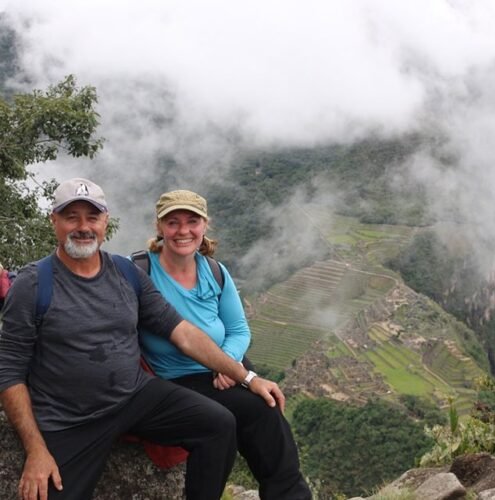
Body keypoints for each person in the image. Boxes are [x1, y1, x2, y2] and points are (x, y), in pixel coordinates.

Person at [0, 178, 285, 500]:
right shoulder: (34, 284)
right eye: (71, 217)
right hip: (70, 417)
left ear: (105, 221)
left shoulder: (125, 272)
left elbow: (181, 332)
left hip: (134, 397)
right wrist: (36, 450)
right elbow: (9, 370)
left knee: (218, 424)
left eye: (92, 217)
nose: (83, 227)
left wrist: (246, 376)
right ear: (54, 220)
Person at [138, 189, 312, 500]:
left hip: (221, 372)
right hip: (171, 380)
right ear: (159, 227)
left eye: (192, 221)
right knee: (227, 422)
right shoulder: (140, 272)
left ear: (205, 225)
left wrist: (228, 363)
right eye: (173, 222)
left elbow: (238, 329)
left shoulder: (215, 272)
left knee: (267, 411)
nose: (183, 231)